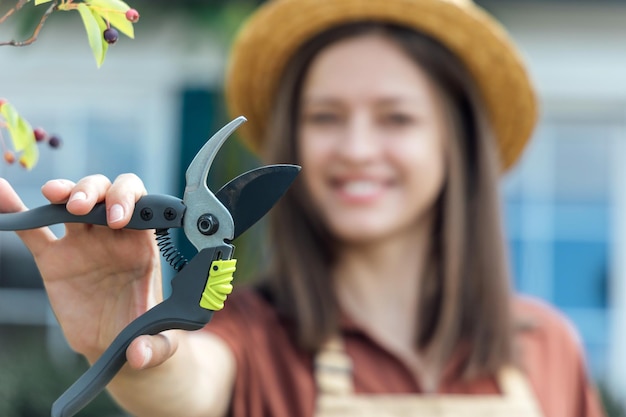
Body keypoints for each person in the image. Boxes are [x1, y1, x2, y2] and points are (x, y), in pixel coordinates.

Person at [0, 0, 607, 416]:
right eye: (325, 117)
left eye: (396, 117)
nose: (357, 149)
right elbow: (185, 381)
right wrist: (129, 344)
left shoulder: (546, 346)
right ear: (292, 142)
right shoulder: (251, 336)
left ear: (455, 146)